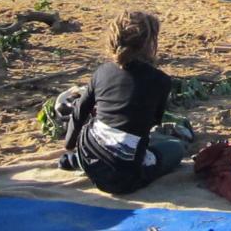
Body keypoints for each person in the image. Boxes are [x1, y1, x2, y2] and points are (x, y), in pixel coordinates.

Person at [60, 11, 184, 194]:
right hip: (126, 177)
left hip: (90, 158)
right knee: (175, 148)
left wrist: (69, 146)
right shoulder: (161, 80)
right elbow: (153, 122)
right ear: (150, 45)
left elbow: (79, 113)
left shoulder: (102, 72)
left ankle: (76, 159)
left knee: (105, 135)